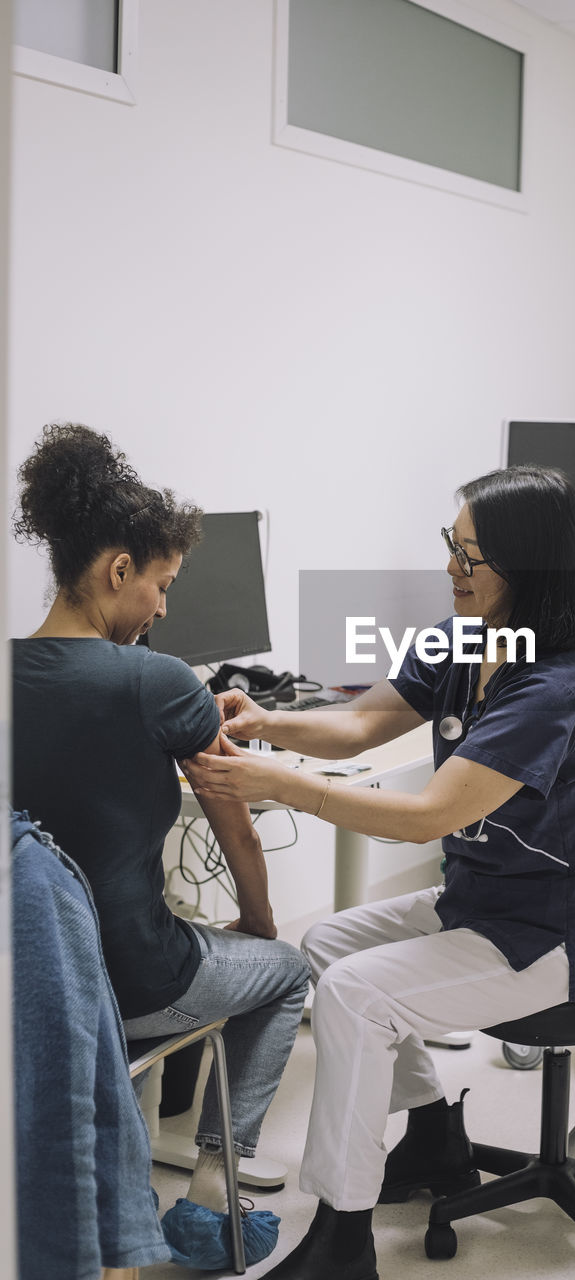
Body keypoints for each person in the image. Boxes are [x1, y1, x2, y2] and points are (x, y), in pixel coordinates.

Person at [182, 464, 575, 1280]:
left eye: (472, 557)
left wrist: (278, 784)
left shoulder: (550, 689)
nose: (451, 570)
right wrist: (265, 724)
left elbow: (430, 815)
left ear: (525, 568)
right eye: (450, 548)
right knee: (326, 946)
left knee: (359, 993)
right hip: (480, 902)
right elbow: (359, 721)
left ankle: (343, 1239)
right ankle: (432, 1132)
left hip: (552, 934)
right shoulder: (459, 643)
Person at [11, 423, 310, 1256]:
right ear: (117, 570)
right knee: (287, 974)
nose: (165, 608)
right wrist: (257, 923)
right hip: (134, 980)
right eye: (163, 584)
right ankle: (212, 1207)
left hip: (33, 987)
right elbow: (238, 830)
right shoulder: (158, 679)